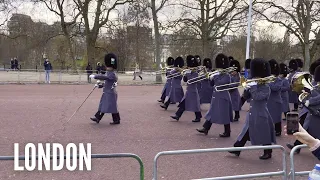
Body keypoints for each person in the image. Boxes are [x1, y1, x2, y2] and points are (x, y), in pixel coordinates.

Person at [229, 58, 276, 160]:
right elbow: (247, 97)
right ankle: (237, 148)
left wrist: (253, 87)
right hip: (253, 113)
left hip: (261, 113)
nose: (255, 78)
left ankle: (268, 152)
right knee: (246, 131)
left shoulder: (266, 87)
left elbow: (258, 97)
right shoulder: (254, 85)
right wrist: (246, 89)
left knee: (264, 133)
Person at [196, 53, 233, 137]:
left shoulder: (227, 75)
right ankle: (206, 128)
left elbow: (220, 83)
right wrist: (211, 77)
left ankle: (227, 132)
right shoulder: (217, 74)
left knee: (224, 115)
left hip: (223, 97)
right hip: (216, 96)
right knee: (212, 112)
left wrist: (214, 76)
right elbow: (212, 84)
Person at [287, 65, 320, 153]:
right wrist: (305, 96)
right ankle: (297, 146)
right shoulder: (316, 85)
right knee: (306, 128)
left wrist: (310, 101)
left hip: (316, 112)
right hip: (311, 112)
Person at [89, 53, 120, 125]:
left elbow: (104, 78)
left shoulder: (111, 73)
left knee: (111, 106)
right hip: (107, 92)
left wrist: (95, 76)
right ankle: (98, 118)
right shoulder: (109, 72)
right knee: (104, 105)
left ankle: (116, 120)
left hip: (111, 93)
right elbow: (107, 83)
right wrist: (99, 85)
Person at [170, 55, 202, 122]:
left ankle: (197, 117)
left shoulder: (196, 72)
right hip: (189, 90)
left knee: (194, 105)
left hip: (193, 91)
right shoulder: (188, 71)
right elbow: (185, 80)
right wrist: (185, 74)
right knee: (184, 103)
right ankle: (178, 115)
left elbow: (193, 81)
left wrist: (188, 73)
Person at [267, 59, 283, 136]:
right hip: (269, 101)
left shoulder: (279, 80)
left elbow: (275, 88)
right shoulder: (267, 79)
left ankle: (278, 131)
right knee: (269, 117)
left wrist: (268, 82)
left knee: (276, 118)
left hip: (276, 101)